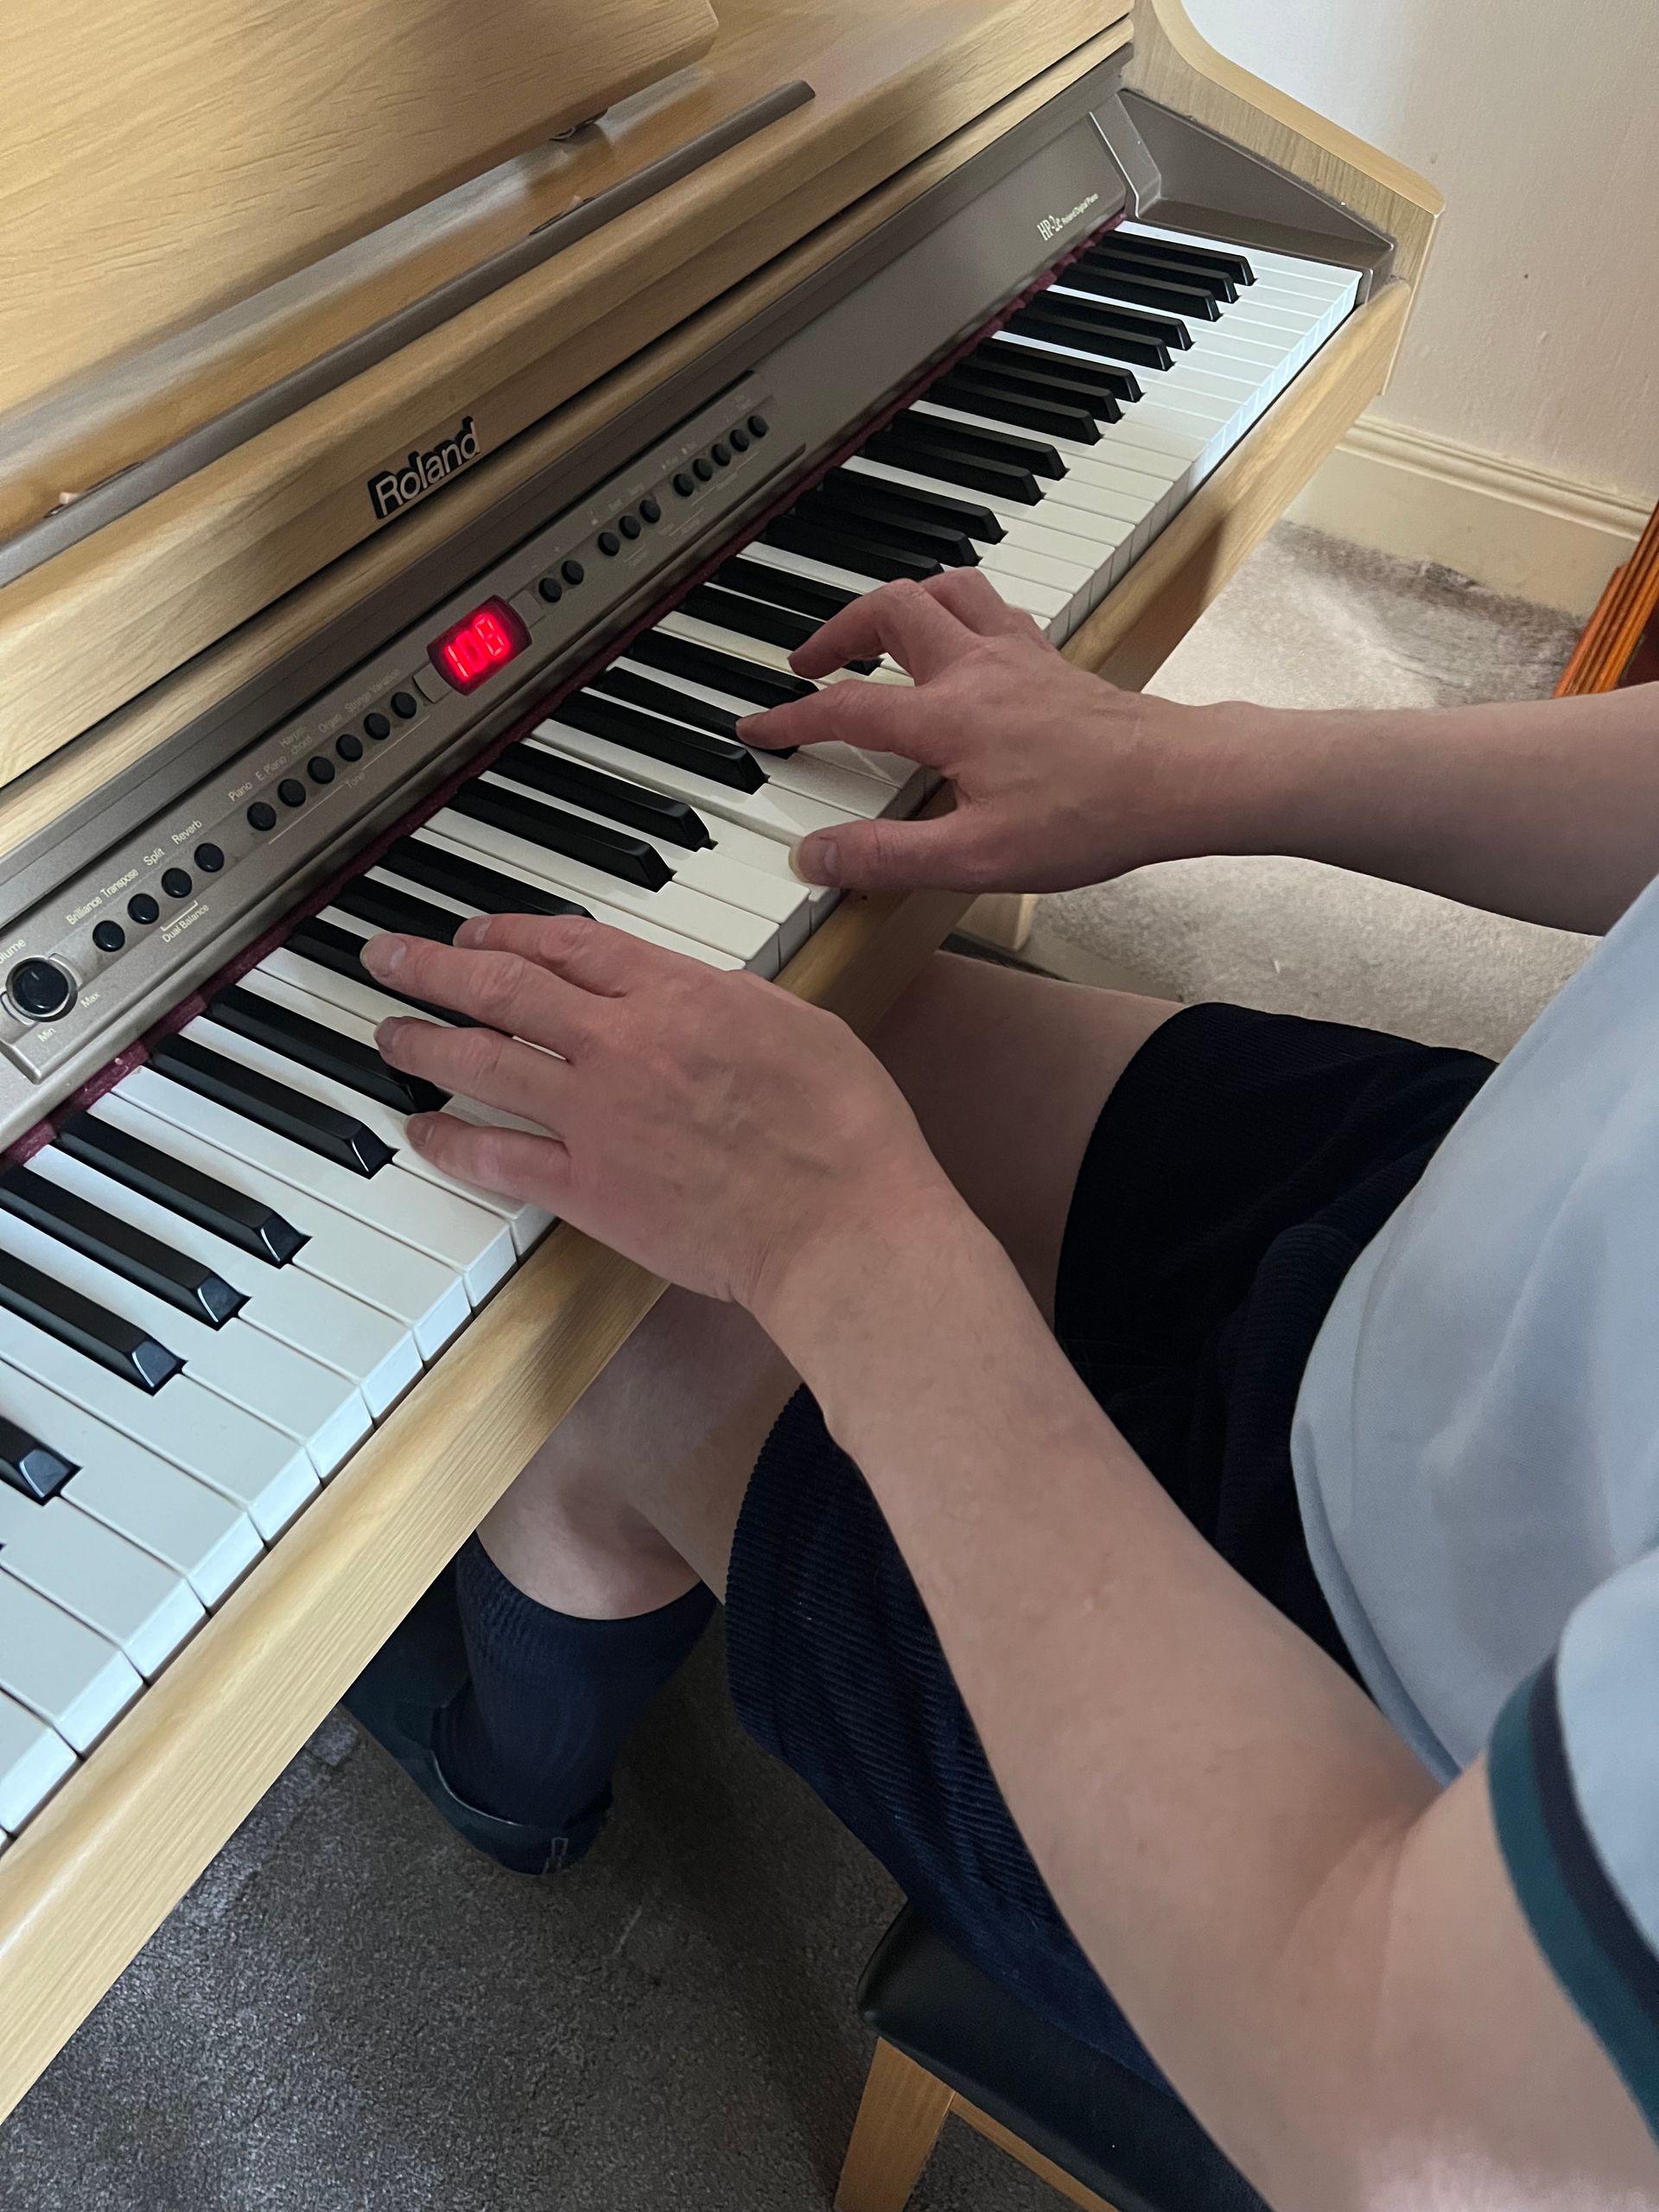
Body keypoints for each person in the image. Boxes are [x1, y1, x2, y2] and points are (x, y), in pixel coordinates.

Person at [345, 567, 1659, 2209]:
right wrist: (1197, 760)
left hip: (1371, 1783)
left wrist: (846, 1239)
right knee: (799, 1017)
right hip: (1490, 1225)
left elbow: (1421, 2114)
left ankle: (508, 1778)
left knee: (591, 1302)